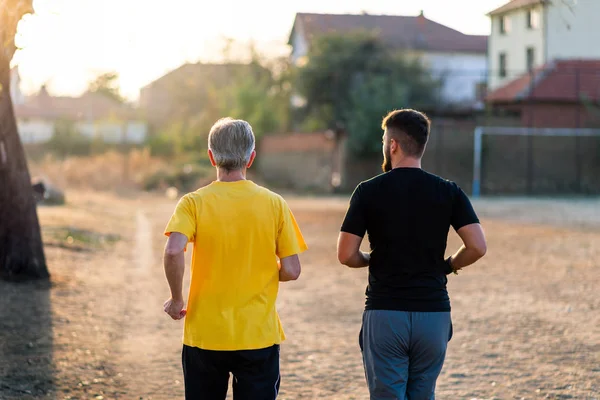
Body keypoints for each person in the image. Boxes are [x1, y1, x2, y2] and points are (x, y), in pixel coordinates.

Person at [337, 109, 487, 400]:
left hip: (386, 312)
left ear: (392, 145)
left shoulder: (368, 191)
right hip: (433, 313)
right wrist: (450, 265)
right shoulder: (448, 191)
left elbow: (345, 254)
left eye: (384, 139)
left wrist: (369, 259)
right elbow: (477, 246)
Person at [162, 117, 307, 400]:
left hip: (205, 336)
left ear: (211, 157)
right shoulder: (274, 203)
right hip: (257, 335)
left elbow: (172, 250)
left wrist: (177, 299)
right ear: (251, 158)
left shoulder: (193, 202)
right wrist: (261, 268)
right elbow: (291, 269)